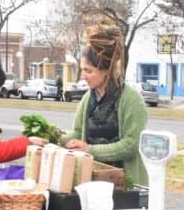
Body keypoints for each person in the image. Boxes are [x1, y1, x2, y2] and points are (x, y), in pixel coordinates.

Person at [60, 25, 149, 186]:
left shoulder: (131, 100)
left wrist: (89, 150)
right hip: (94, 183)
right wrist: (52, 137)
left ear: (105, 71)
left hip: (126, 186)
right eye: (82, 70)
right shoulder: (87, 99)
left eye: (89, 71)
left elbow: (131, 145)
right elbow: (78, 133)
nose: (83, 76)